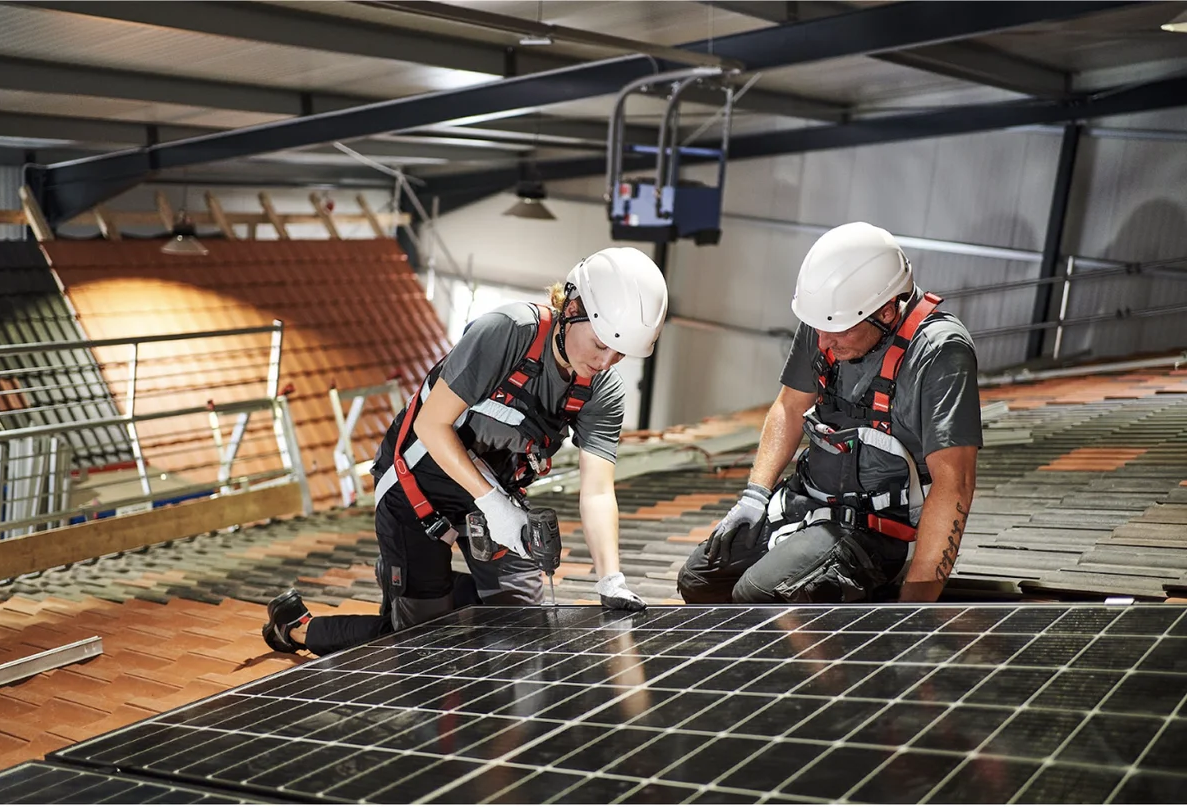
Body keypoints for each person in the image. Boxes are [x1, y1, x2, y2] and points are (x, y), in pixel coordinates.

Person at [264, 246, 669, 655]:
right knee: (422, 644)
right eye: (600, 344)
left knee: (522, 632)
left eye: (620, 353)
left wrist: (610, 579)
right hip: (417, 488)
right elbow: (431, 424)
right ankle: (297, 627)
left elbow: (598, 490)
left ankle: (427, 586)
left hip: (494, 499)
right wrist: (493, 505)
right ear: (573, 307)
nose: (606, 361)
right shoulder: (507, 332)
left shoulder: (602, 390)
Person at [677, 222, 981, 605]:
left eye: (837, 332)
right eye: (817, 328)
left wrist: (914, 610)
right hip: (809, 503)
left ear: (886, 312)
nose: (822, 342)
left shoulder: (939, 353)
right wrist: (755, 496)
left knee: (757, 597)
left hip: (878, 531)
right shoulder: (829, 320)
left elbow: (955, 483)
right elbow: (789, 406)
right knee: (699, 582)